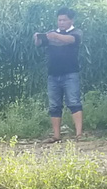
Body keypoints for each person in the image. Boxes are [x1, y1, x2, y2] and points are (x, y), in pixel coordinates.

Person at [33, 8, 83, 143]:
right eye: (59, 20)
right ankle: (56, 136)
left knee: (74, 102)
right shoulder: (50, 34)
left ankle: (79, 135)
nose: (61, 22)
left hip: (71, 74)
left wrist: (55, 36)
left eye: (64, 20)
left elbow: (70, 40)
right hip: (53, 75)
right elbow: (39, 44)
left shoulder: (76, 33)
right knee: (54, 106)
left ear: (71, 20)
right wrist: (37, 38)